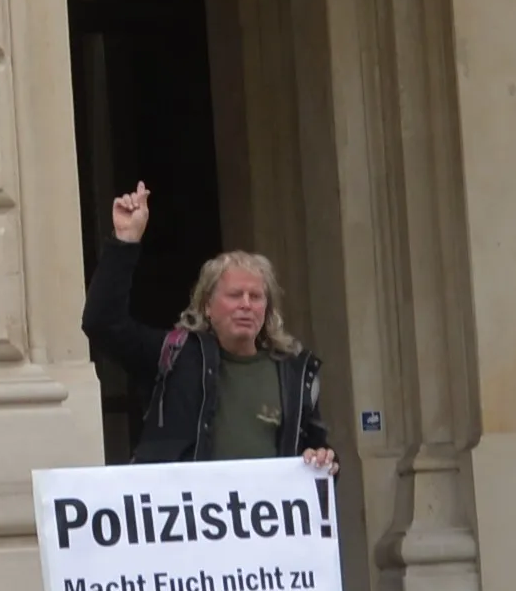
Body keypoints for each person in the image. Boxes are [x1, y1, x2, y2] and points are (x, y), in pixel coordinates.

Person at [83, 182, 336, 471]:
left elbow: (318, 451)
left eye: (255, 297)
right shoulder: (176, 356)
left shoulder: (294, 372)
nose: (246, 304)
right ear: (207, 305)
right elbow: (101, 323)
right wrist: (125, 241)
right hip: (190, 513)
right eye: (234, 295)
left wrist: (325, 459)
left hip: (261, 514)